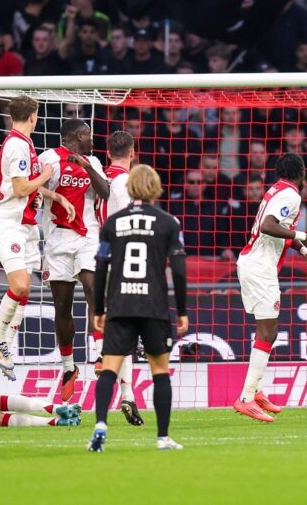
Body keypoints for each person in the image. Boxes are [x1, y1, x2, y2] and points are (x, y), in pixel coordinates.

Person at [88, 164, 188, 452]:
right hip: (153, 305)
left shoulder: (112, 223)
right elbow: (179, 271)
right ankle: (162, 437)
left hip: (120, 304)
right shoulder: (169, 223)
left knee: (109, 369)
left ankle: (100, 426)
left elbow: (101, 265)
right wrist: (181, 310)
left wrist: (99, 309)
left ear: (130, 188)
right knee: (159, 370)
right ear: (155, 188)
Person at [233, 153, 307, 422]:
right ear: (302, 172)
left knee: (266, 329)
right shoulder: (291, 196)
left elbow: (273, 226)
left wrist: (303, 250)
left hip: (254, 263)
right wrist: (302, 235)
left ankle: (256, 391)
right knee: (269, 332)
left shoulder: (276, 189)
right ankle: (246, 398)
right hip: (260, 269)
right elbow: (270, 226)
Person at [39, 119, 108, 402]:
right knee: (62, 305)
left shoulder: (93, 160)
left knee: (94, 289)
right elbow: (29, 187)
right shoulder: (49, 159)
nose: (92, 140)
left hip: (88, 236)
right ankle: (69, 368)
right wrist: (54, 194)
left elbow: (104, 192)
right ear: (75, 137)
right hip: (57, 237)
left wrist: (89, 168)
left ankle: (101, 354)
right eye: (88, 136)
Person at [0, 96, 56, 380]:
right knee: (19, 284)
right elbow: (18, 187)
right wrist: (46, 176)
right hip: (9, 224)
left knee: (26, 291)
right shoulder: (17, 144)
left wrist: (52, 197)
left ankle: (5, 344)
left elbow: (26, 189)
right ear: (33, 117)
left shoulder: (24, 143)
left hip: (27, 225)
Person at [93, 130, 143, 426]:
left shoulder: (99, 176)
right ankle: (104, 358)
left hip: (97, 250)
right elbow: (126, 221)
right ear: (133, 152)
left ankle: (128, 396)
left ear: (108, 152)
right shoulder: (124, 181)